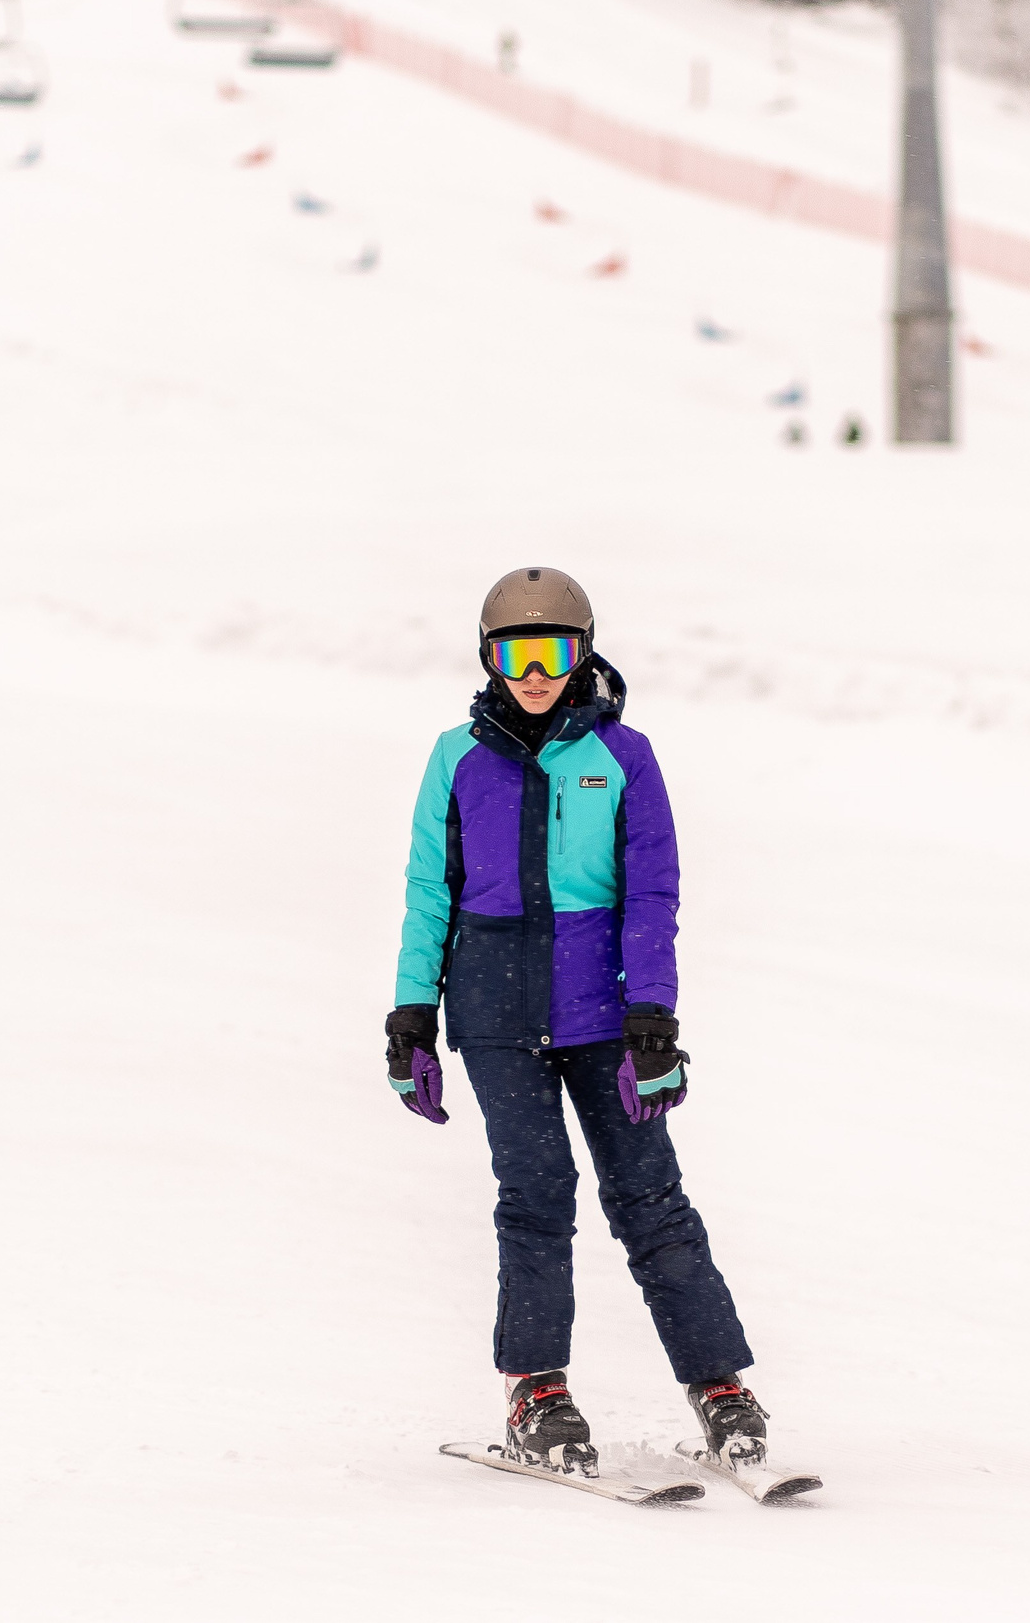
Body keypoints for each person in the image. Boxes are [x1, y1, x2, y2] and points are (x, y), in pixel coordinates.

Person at [383, 567, 769, 1477]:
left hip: (605, 1014)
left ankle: (719, 1384)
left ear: (583, 651)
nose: (534, 671)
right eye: (515, 651)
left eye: (553, 650)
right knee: (536, 1192)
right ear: (488, 656)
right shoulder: (455, 757)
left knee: (650, 1195)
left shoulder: (623, 755)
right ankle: (536, 1389)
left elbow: (652, 889)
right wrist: (411, 1016)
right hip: (492, 1010)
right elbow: (428, 889)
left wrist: (653, 1017)